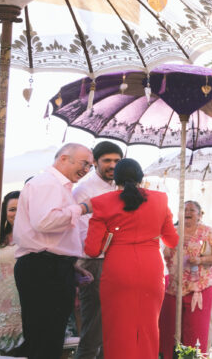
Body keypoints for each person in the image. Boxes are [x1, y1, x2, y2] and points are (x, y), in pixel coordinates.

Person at [84, 158, 177, 359]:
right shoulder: (160, 199)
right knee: (148, 327)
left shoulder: (101, 202)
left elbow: (92, 250)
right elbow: (171, 240)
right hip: (151, 268)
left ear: (114, 178)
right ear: (140, 177)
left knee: (117, 328)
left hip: (118, 267)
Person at [14, 142, 94, 359]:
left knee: (50, 336)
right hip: (43, 267)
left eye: (90, 166)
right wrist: (82, 208)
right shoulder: (48, 183)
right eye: (84, 163)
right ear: (64, 158)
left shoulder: (58, 186)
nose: (87, 170)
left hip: (51, 266)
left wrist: (71, 265)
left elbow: (51, 237)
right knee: (45, 338)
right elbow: (45, 222)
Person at [72, 140, 123, 359]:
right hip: (94, 261)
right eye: (107, 161)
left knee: (112, 330)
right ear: (95, 162)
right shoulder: (84, 189)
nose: (113, 165)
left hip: (116, 261)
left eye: (117, 161)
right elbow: (81, 232)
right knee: (94, 329)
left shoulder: (119, 187)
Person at [158, 201, 212, 357]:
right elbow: (162, 254)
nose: (187, 212)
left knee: (196, 331)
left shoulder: (208, 232)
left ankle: (193, 356)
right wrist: (174, 244)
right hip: (173, 287)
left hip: (199, 287)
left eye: (191, 210)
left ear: (199, 215)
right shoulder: (171, 232)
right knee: (167, 329)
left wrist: (201, 261)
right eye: (184, 210)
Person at [0, 190, 24, 355]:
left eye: (20, 208)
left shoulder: (37, 237)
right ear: (5, 212)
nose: (16, 213)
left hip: (26, 305)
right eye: (12, 209)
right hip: (0, 307)